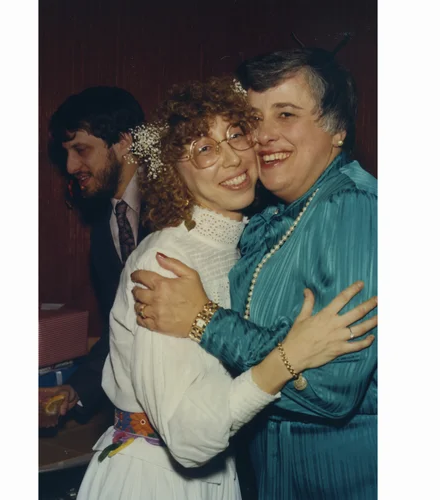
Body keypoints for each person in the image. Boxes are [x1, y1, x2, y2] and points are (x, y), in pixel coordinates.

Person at [76, 76, 377, 500]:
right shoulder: (165, 261)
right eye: (204, 149)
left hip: (220, 475)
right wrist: (289, 358)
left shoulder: (246, 244)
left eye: (236, 135)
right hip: (155, 478)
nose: (232, 158)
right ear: (173, 169)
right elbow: (187, 438)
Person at [43, 86, 147, 419]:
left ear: (124, 141)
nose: (71, 166)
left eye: (81, 150)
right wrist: (76, 389)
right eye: (67, 153)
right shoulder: (104, 226)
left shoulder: (181, 205)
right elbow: (121, 328)